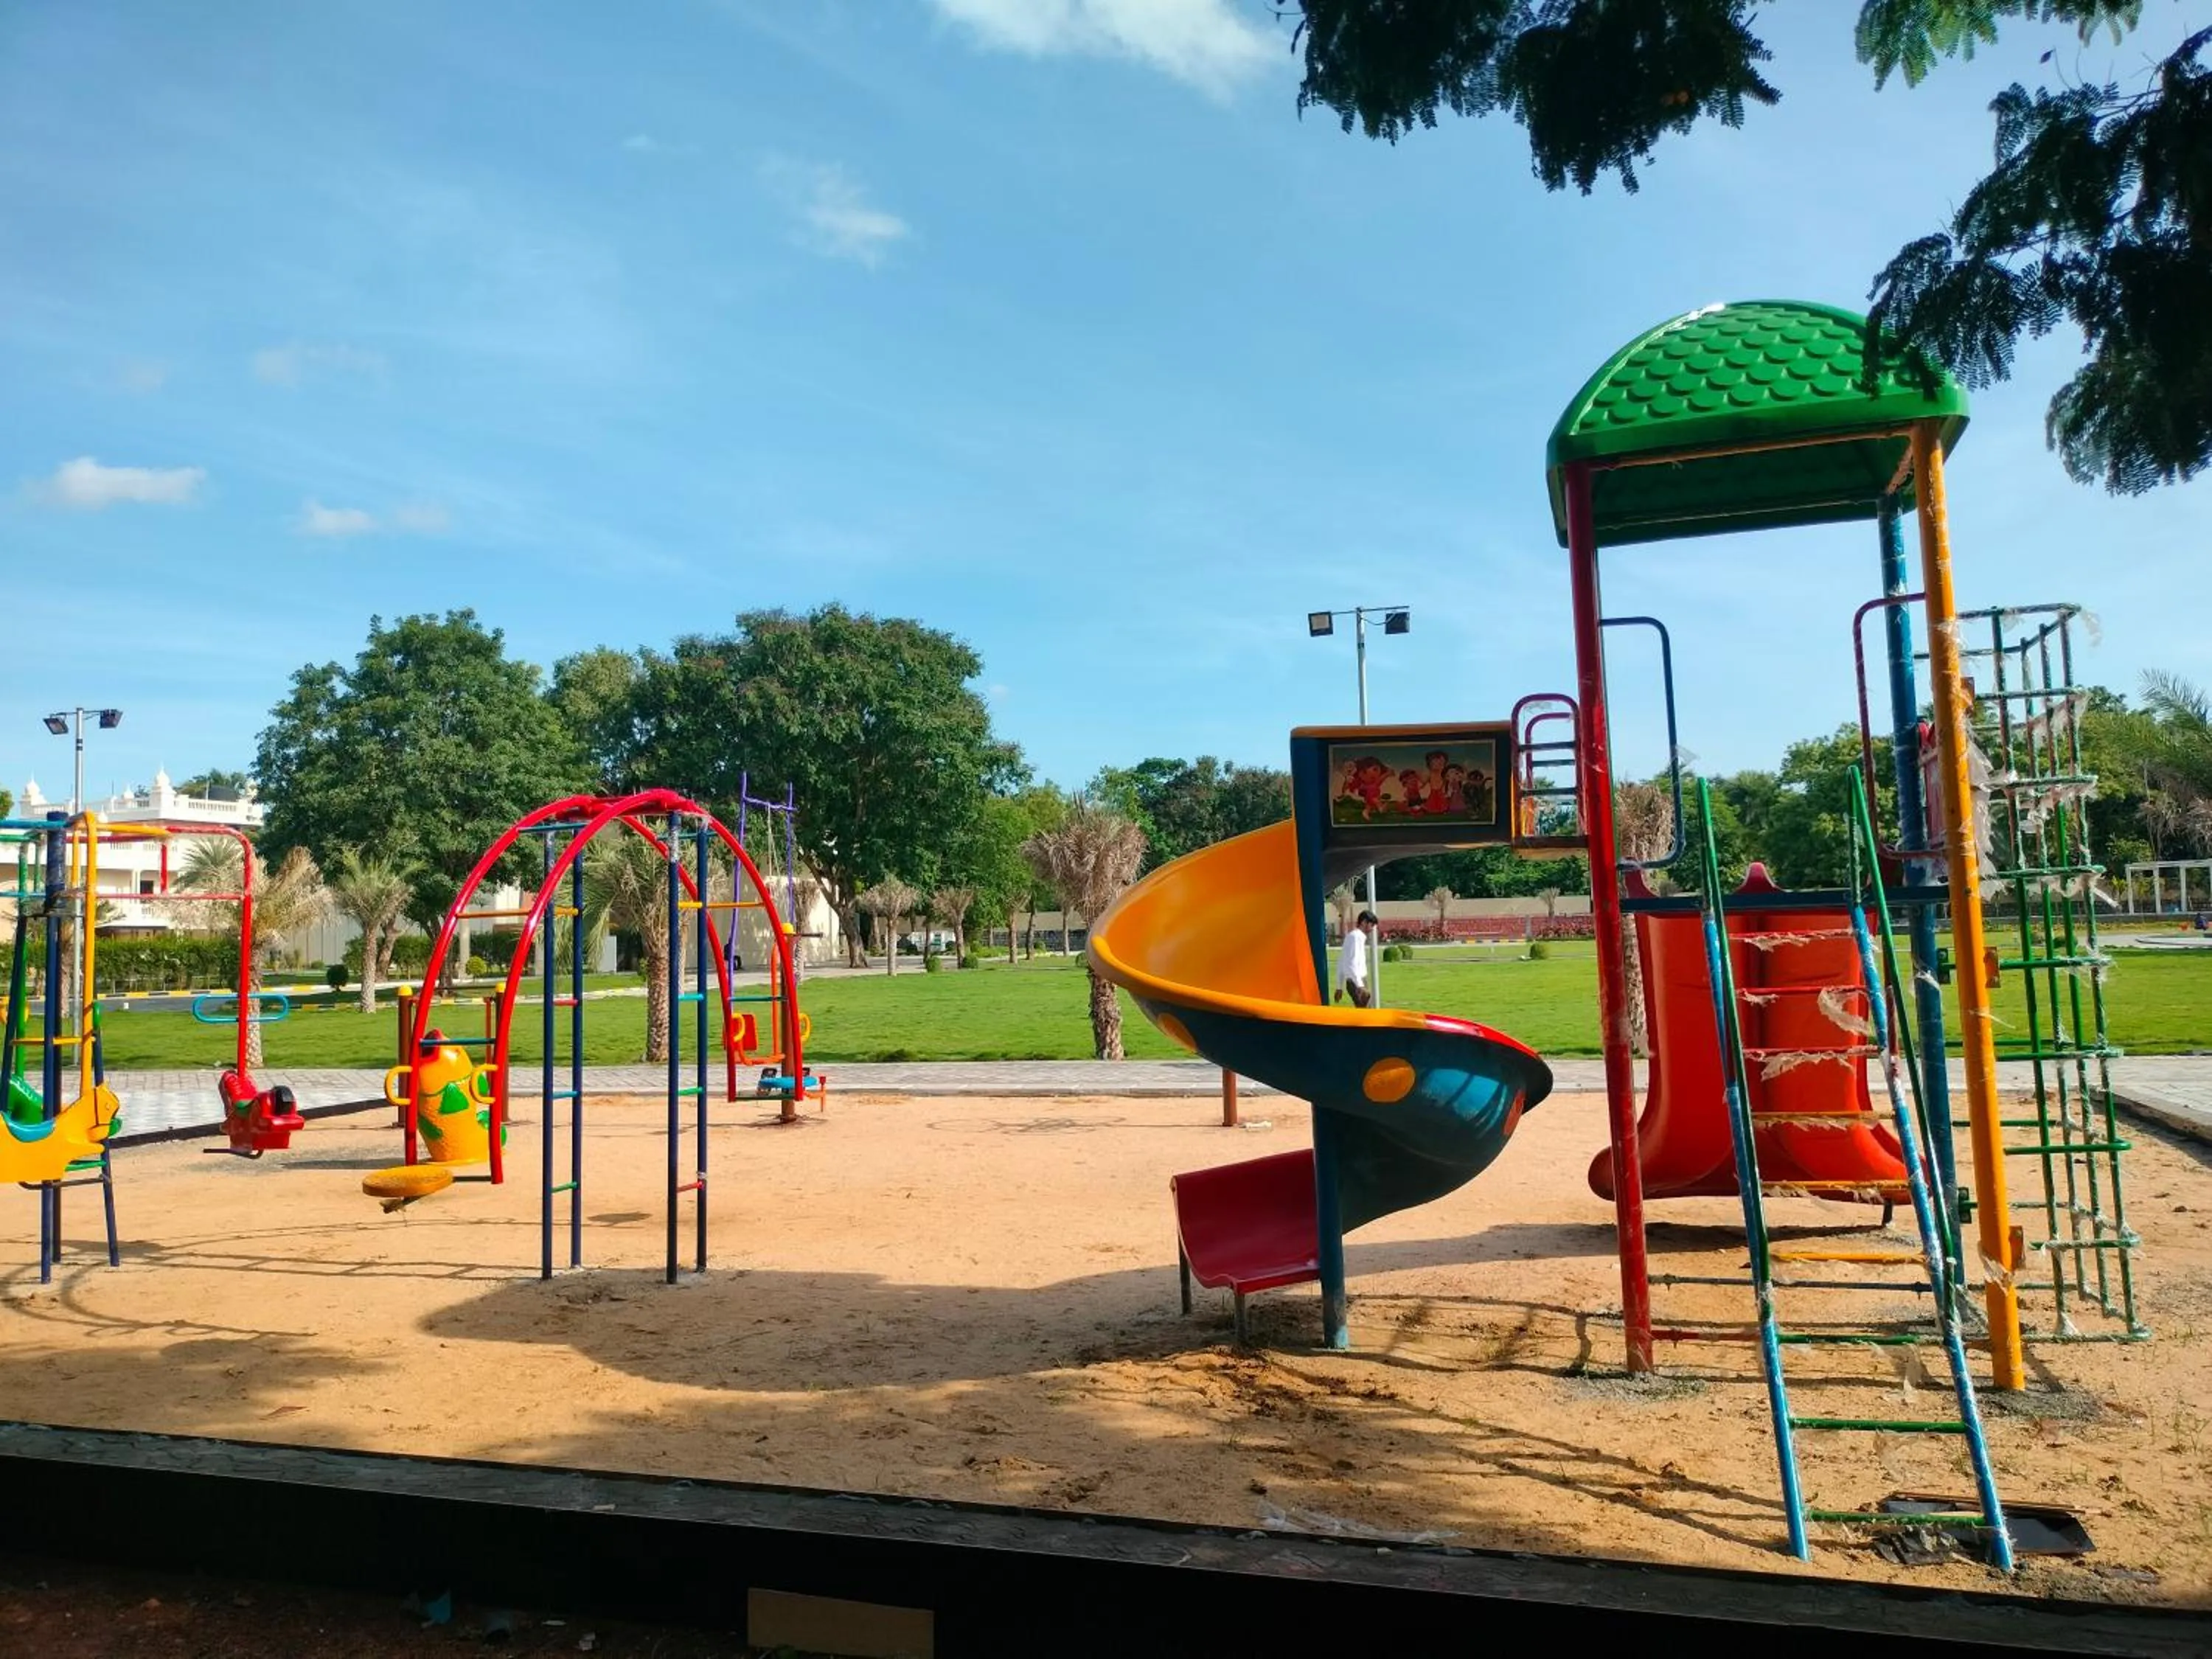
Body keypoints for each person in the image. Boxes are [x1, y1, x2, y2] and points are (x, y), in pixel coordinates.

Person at [1335, 909, 1378, 1008]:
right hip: (1356, 982)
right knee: (1365, 1016)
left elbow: (1342, 962)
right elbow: (1351, 963)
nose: (1372, 929)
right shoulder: (1356, 937)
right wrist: (1360, 986)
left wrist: (1339, 987)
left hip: (1355, 981)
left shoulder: (1354, 936)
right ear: (1364, 922)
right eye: (1372, 925)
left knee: (1365, 1013)